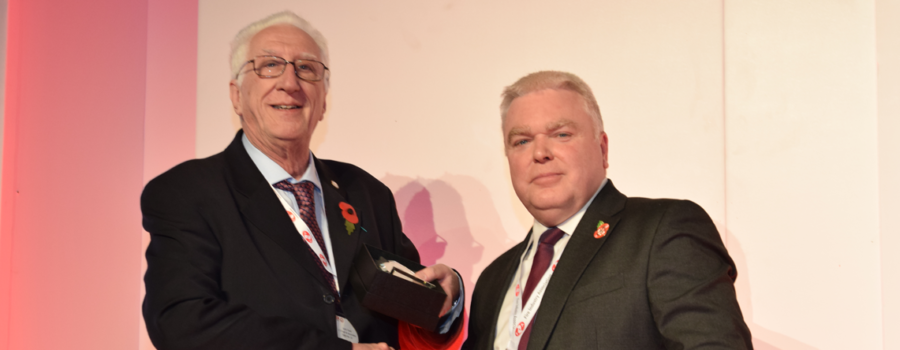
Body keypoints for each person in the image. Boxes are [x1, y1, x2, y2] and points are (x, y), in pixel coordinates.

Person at [141, 11, 462, 350]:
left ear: (324, 100)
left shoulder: (367, 193)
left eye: (306, 69)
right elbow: (181, 321)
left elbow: (409, 320)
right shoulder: (187, 192)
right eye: (269, 66)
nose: (290, 83)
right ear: (236, 95)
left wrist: (444, 301)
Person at [463, 71, 752, 349]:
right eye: (522, 141)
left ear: (602, 149)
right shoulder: (492, 281)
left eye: (561, 134)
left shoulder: (662, 232)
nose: (540, 153)